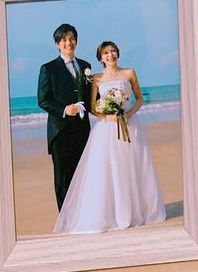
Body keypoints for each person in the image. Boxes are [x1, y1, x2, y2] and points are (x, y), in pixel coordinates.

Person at [54, 41, 165, 234]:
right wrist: (107, 116)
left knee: (133, 165)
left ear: (118, 53)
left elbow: (139, 98)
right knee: (111, 167)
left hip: (130, 125)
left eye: (113, 51)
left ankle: (136, 210)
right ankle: (114, 212)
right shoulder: (96, 78)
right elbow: (93, 106)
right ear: (101, 57)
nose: (110, 55)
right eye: (105, 53)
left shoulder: (129, 72)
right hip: (107, 129)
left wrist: (129, 113)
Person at [37, 22, 92, 209]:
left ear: (76, 41)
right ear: (57, 44)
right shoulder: (48, 68)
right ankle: (65, 218)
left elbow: (90, 97)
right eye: (64, 40)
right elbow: (43, 100)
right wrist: (64, 109)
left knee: (82, 175)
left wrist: (109, 106)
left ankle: (82, 214)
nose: (68, 43)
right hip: (60, 132)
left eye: (72, 39)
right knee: (62, 179)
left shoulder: (85, 66)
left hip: (82, 130)